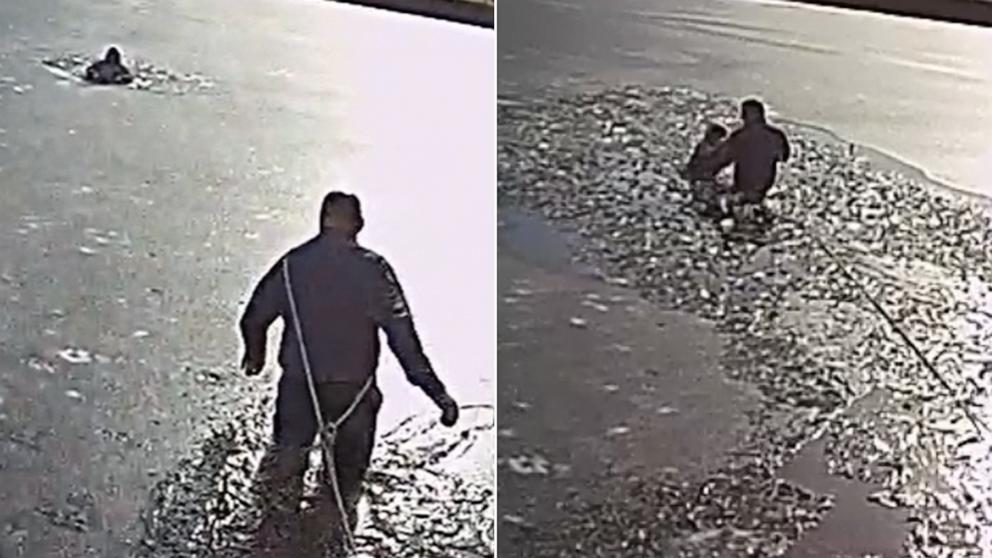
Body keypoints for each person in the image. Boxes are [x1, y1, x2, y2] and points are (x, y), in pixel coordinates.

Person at [239, 191, 460, 555]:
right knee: (343, 492)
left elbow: (254, 316)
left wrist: (255, 353)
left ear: (321, 221)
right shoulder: (374, 270)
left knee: (280, 485)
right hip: (353, 397)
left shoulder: (294, 264)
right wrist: (437, 394)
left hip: (299, 389)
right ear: (358, 225)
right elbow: (402, 338)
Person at [712, 99, 791, 218]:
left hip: (742, 186)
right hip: (765, 186)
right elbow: (784, 157)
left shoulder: (739, 137)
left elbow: (720, 161)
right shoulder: (777, 136)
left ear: (744, 116)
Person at [682, 123, 729, 215]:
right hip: (701, 177)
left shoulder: (721, 148)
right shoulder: (702, 146)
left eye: (719, 136)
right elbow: (694, 161)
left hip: (711, 178)